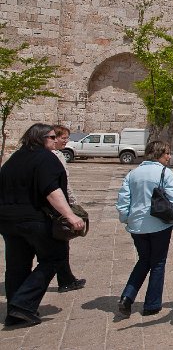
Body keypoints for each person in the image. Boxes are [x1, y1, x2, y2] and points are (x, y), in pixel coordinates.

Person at [0, 123, 85, 326]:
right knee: (55, 256)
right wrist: (70, 216)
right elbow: (51, 190)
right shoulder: (46, 158)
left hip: (7, 220)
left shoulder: (15, 158)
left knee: (17, 265)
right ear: (40, 138)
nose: (56, 140)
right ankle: (23, 304)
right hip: (34, 219)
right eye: (52, 137)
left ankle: (15, 313)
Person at [116, 140, 173, 317]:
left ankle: (127, 297)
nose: (169, 157)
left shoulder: (133, 173)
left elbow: (123, 200)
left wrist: (126, 219)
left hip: (137, 226)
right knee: (158, 263)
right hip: (159, 224)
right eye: (167, 153)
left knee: (144, 260)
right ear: (158, 154)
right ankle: (152, 304)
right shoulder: (165, 172)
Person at [52, 124, 86, 293]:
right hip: (57, 206)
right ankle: (65, 279)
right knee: (59, 244)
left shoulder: (58, 155)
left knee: (62, 243)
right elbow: (61, 185)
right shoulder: (52, 157)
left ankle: (66, 277)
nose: (66, 141)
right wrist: (71, 204)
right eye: (63, 138)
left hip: (60, 204)